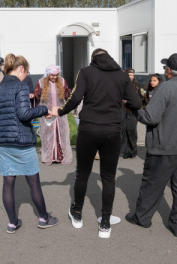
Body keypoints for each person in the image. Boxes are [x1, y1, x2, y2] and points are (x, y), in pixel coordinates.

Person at [51, 48, 142, 239]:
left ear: (93, 59)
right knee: (108, 178)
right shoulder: (121, 75)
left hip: (89, 129)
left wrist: (60, 112)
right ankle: (105, 223)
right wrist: (124, 104)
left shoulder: (86, 71)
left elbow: (75, 98)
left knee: (82, 174)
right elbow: (137, 102)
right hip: (112, 131)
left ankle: (77, 214)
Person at [124, 53, 177, 238]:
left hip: (164, 147)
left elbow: (150, 117)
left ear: (169, 70)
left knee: (152, 185)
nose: (165, 71)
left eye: (166, 68)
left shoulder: (165, 88)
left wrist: (133, 108)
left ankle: (142, 218)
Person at [0, 53, 59, 234]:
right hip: (21, 141)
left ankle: (12, 223)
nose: (26, 77)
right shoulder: (20, 86)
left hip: (2, 142)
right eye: (26, 73)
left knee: (8, 183)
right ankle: (44, 218)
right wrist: (44, 109)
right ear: (21, 69)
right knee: (33, 183)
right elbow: (24, 114)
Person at [33, 65, 73, 165]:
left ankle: (60, 156)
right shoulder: (41, 83)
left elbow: (69, 94)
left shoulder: (62, 81)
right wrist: (35, 104)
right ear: (48, 74)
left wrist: (69, 105)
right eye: (52, 75)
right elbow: (36, 97)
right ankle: (49, 156)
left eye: (56, 75)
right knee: (47, 134)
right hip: (47, 113)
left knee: (61, 133)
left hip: (59, 113)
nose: (54, 77)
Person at [120, 68, 144, 159]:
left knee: (131, 130)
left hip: (132, 110)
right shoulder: (121, 85)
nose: (131, 77)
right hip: (123, 109)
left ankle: (133, 150)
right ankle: (126, 151)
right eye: (129, 75)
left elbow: (140, 98)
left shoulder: (136, 86)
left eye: (133, 75)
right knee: (124, 129)